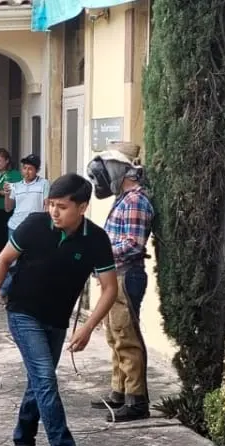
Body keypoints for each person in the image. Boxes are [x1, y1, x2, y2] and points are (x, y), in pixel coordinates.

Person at [0, 174, 118, 446]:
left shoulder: (95, 239)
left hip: (57, 320)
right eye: (51, 204)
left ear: (82, 207)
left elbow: (110, 288)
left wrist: (88, 327)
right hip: (23, 313)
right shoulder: (34, 226)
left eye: (63, 206)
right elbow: (1, 262)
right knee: (44, 377)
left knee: (39, 383)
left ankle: (22, 441)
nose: (54, 212)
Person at [87, 143, 155, 422]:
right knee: (115, 336)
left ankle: (137, 401)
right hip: (115, 276)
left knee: (127, 338)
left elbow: (132, 244)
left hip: (127, 275)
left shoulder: (136, 201)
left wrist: (100, 253)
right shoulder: (123, 199)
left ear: (120, 170)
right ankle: (119, 392)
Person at [0, 154, 49, 299]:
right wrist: (7, 195)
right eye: (25, 168)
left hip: (35, 228)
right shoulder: (16, 186)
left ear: (37, 170)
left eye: (30, 169)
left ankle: (27, 291)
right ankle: (5, 290)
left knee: (33, 261)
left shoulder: (44, 184)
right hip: (15, 227)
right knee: (13, 261)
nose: (27, 172)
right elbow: (8, 208)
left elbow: (46, 205)